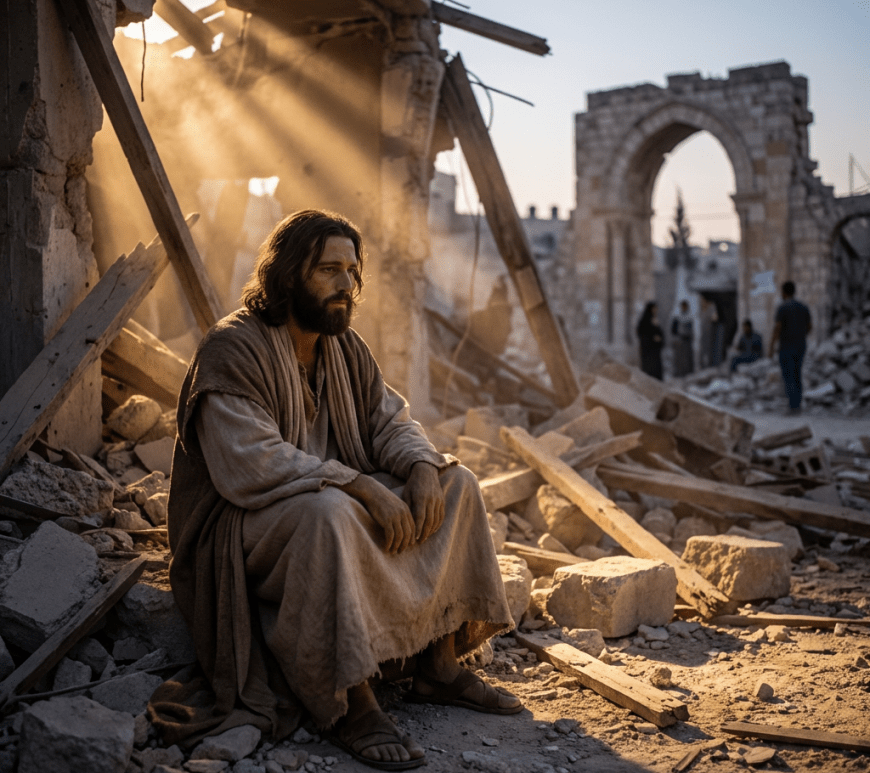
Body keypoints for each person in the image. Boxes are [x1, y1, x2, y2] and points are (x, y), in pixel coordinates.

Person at [152, 210, 521, 770]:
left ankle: (438, 667)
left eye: (352, 271)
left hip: (330, 501)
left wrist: (420, 466)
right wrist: (359, 487)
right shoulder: (232, 349)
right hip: (245, 522)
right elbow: (251, 463)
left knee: (458, 485)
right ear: (287, 274)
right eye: (329, 270)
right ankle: (350, 702)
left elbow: (390, 421)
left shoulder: (345, 349)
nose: (346, 285)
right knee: (330, 514)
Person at [769, 280, 812, 415]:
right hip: (800, 345)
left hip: (786, 346)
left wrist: (771, 346)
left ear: (784, 292)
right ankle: (797, 405)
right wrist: (801, 335)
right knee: (797, 374)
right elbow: (810, 326)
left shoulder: (782, 308)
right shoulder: (803, 307)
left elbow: (777, 327)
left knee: (788, 376)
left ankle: (792, 407)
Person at [636, 301, 664, 380]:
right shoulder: (644, 321)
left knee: (656, 372)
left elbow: (660, 333)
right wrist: (653, 338)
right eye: (654, 308)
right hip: (648, 351)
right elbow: (641, 333)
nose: (656, 310)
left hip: (655, 351)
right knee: (649, 372)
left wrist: (659, 338)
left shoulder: (655, 320)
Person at [670, 299, 695, 377]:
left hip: (687, 341)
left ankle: (688, 373)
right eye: (682, 306)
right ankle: (679, 374)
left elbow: (691, 330)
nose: (683, 308)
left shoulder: (690, 317)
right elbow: (673, 331)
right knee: (679, 359)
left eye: (685, 307)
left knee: (687, 359)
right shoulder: (677, 318)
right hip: (679, 342)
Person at [698, 296, 719, 370]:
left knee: (709, 350)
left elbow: (715, 318)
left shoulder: (711, 307)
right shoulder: (701, 309)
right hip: (702, 333)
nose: (701, 302)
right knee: (702, 351)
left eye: (702, 301)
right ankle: (702, 367)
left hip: (709, 332)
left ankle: (710, 366)